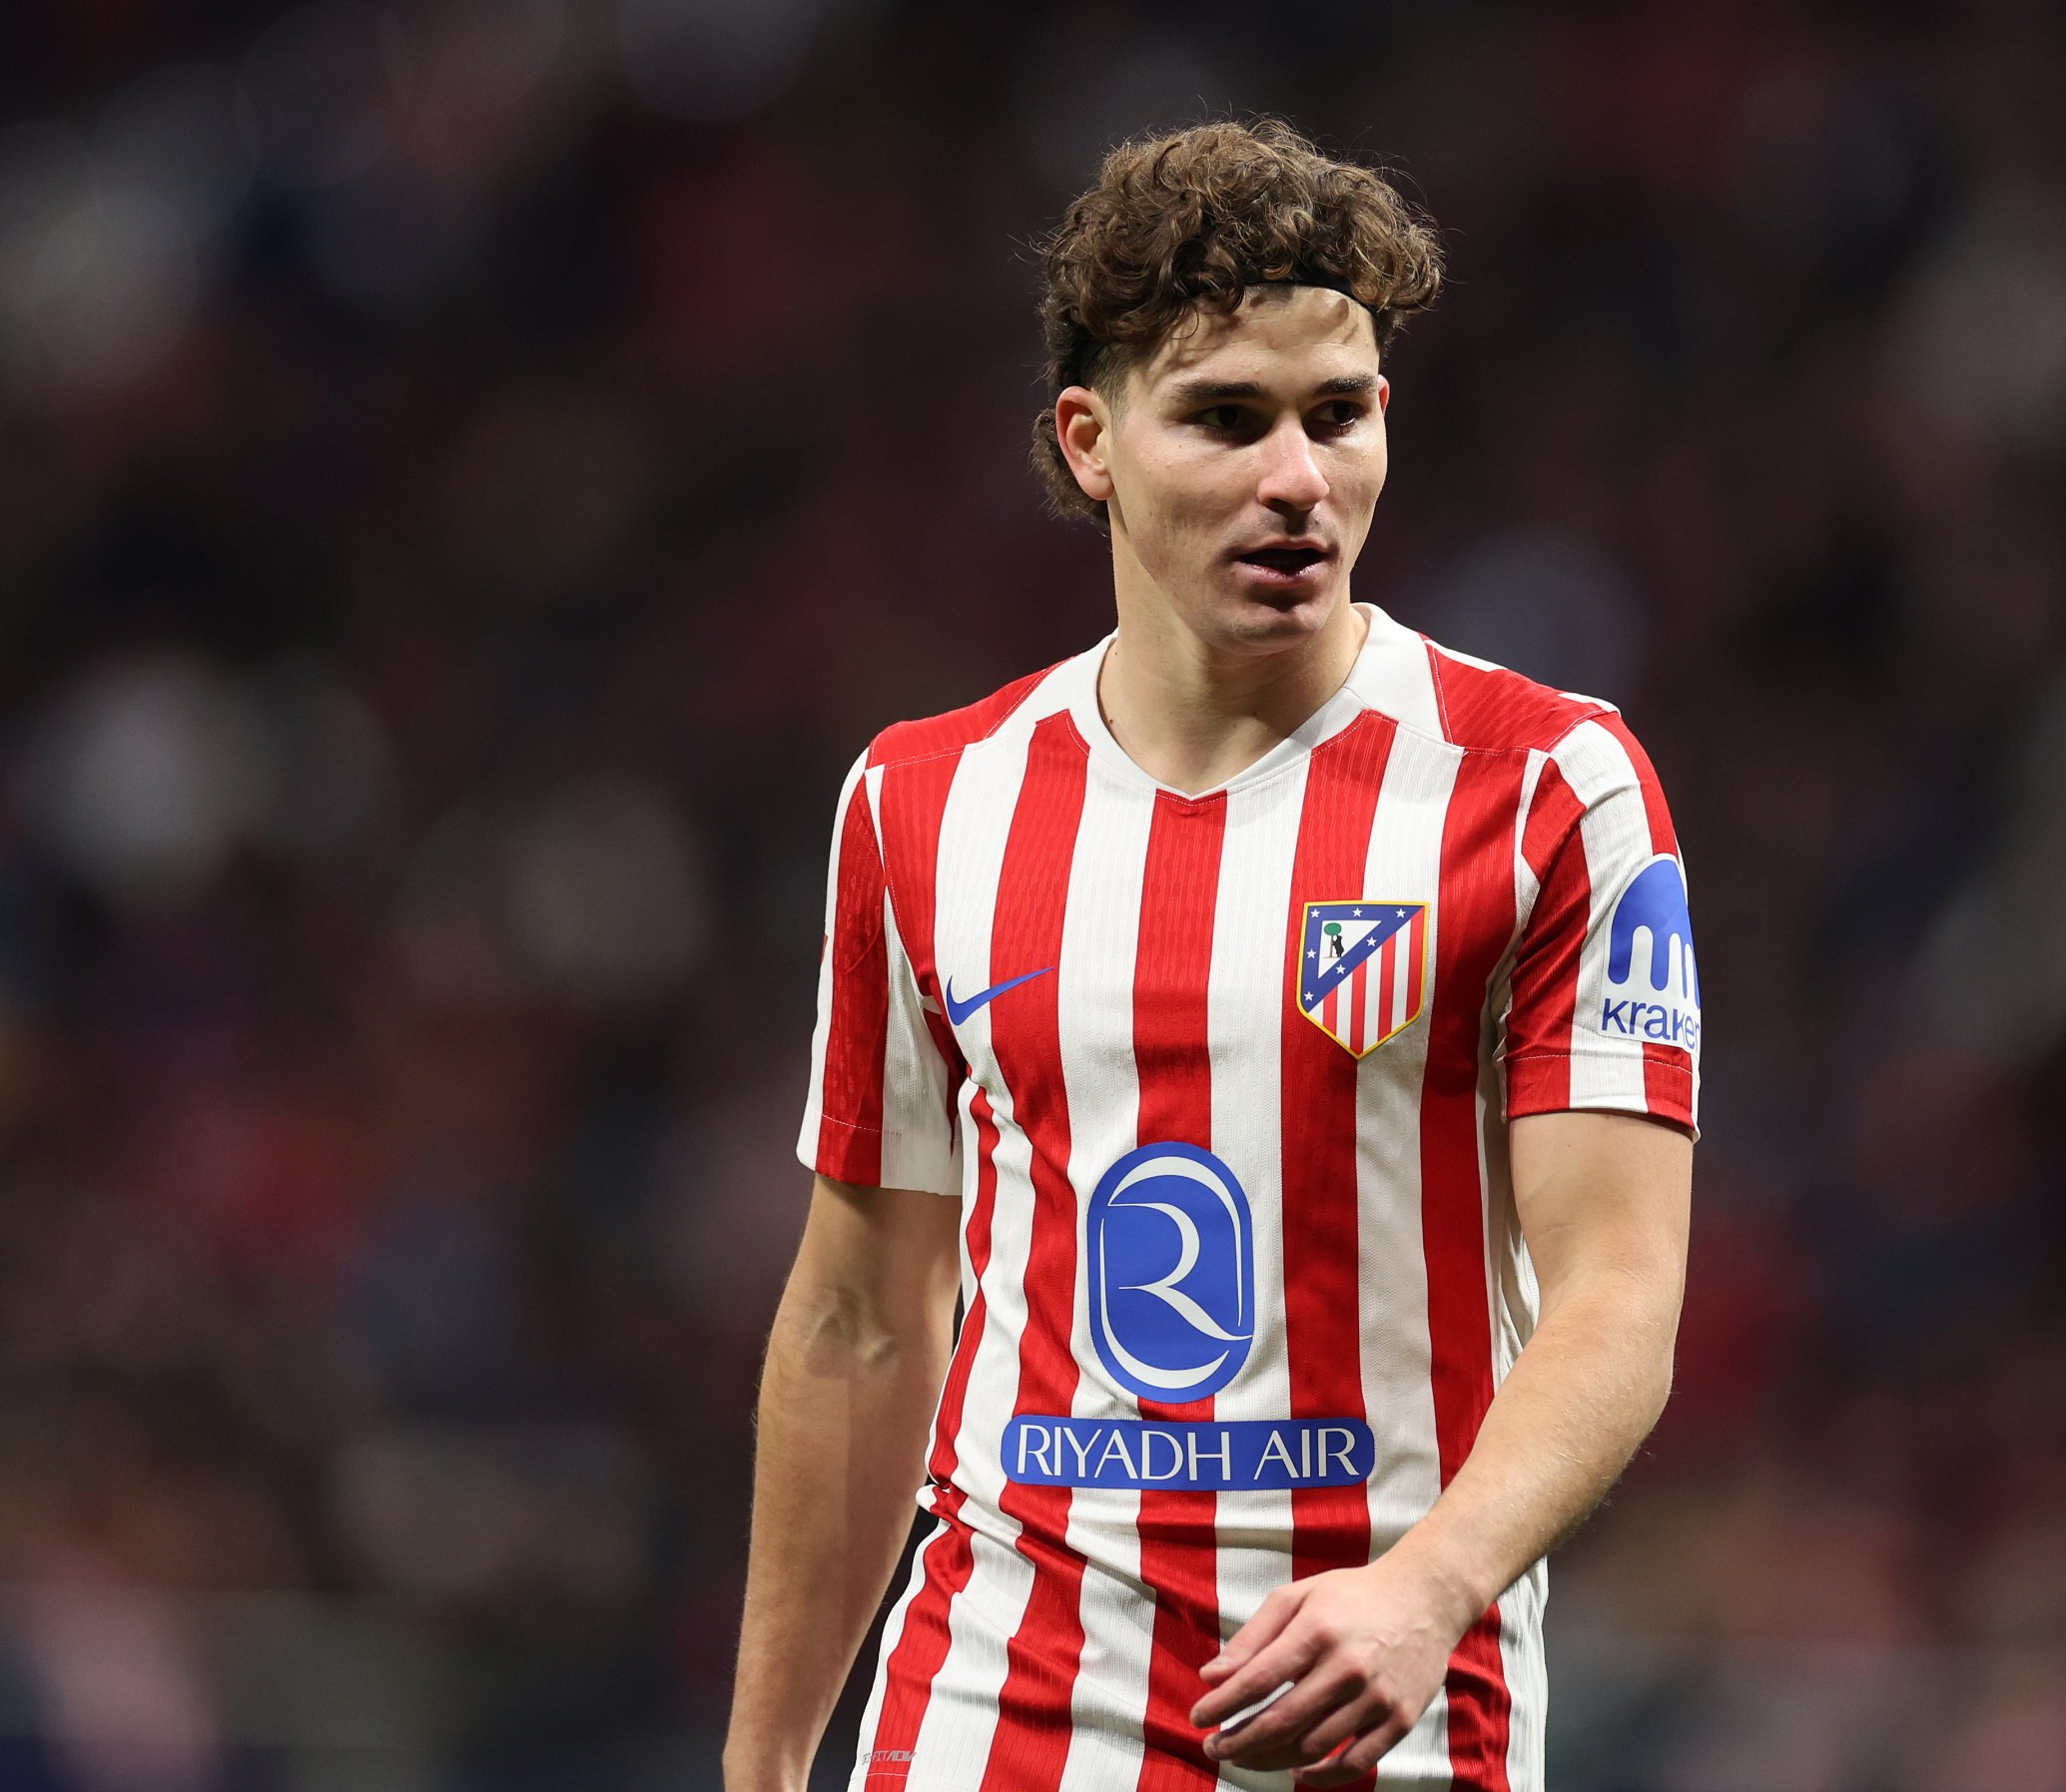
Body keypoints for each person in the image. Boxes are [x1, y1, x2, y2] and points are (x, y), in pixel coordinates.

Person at [725, 117, 1699, 1792]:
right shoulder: (922, 803)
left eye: (1338, 414)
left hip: (1390, 1718)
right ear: (1091, 442)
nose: (1298, 478)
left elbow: (1619, 1290)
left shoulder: (1549, 786)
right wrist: (758, 1770)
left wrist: (1429, 1589)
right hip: (992, 1710)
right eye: (1228, 419)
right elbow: (861, 1324)